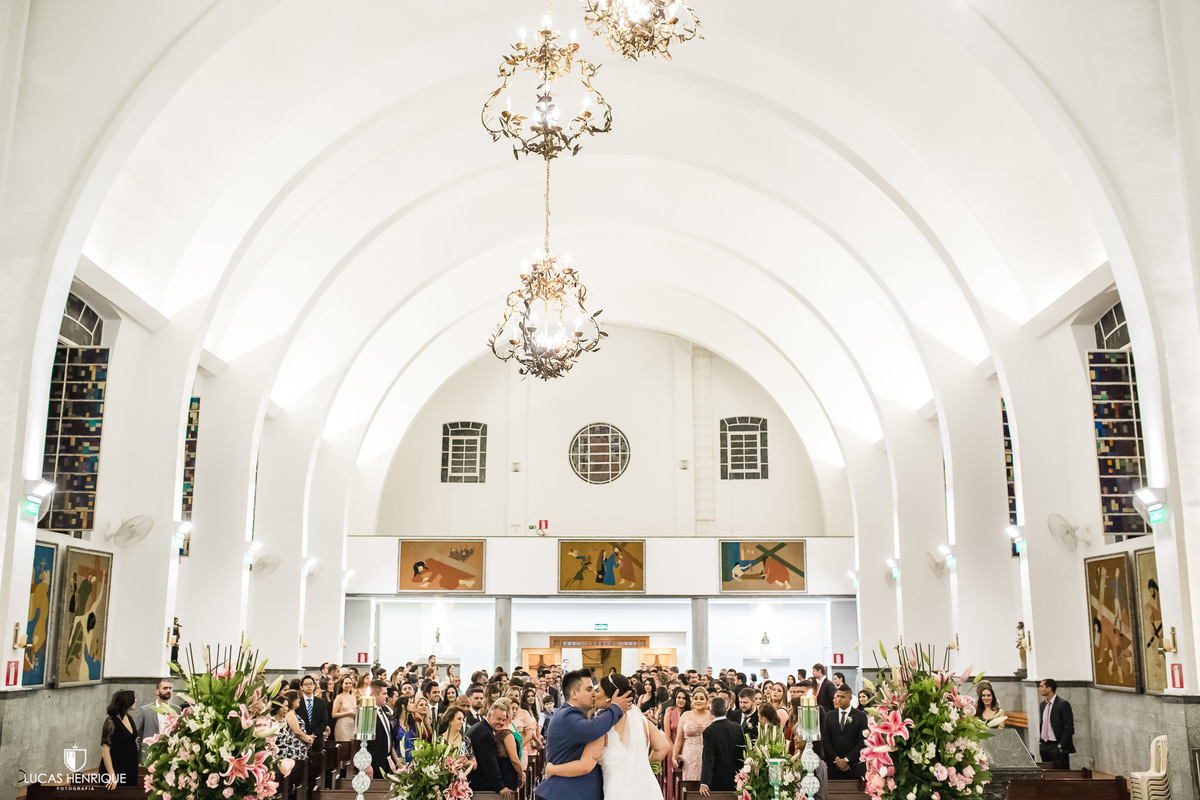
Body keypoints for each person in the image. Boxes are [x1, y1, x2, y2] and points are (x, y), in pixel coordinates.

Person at [543, 672, 669, 800]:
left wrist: (552, 769)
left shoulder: (604, 725)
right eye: (591, 690)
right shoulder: (642, 720)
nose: (594, 694)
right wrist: (640, 765)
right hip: (645, 789)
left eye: (598, 691)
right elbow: (663, 747)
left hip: (618, 791)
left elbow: (585, 766)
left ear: (609, 697)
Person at [536, 668, 632, 800]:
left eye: (594, 689)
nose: (594, 693)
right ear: (574, 693)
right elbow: (591, 730)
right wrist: (616, 708)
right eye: (589, 689)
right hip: (564, 793)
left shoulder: (580, 716)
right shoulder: (567, 715)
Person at [468, 704, 520, 798]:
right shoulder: (484, 733)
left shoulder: (481, 727)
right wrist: (500, 786)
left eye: (503, 720)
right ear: (489, 715)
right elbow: (489, 762)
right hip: (480, 786)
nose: (501, 722)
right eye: (499, 719)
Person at [699, 697, 744, 795]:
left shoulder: (709, 731)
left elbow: (708, 758)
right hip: (736, 777)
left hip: (716, 778)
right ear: (726, 710)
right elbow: (742, 753)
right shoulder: (737, 727)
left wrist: (704, 782)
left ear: (711, 710)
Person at [821, 686, 867, 780]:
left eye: (842, 697)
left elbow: (862, 741)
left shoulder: (860, 716)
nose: (839, 699)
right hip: (833, 765)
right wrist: (837, 759)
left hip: (853, 765)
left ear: (850, 698)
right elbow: (825, 740)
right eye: (837, 696)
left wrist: (847, 759)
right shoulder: (829, 715)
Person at [672, 687, 716, 782]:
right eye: (696, 698)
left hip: (707, 753)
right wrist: (674, 756)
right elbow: (679, 739)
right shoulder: (685, 715)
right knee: (689, 782)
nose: (698, 701)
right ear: (692, 700)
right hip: (689, 754)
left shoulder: (712, 715)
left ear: (707, 701)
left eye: (701, 698)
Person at [297, 674, 331, 788]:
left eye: (310, 684)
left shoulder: (320, 702)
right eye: (305, 684)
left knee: (316, 765)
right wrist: (305, 735)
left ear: (314, 686)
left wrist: (313, 734)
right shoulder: (298, 703)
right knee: (302, 767)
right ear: (301, 687)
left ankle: (314, 788)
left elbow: (324, 721)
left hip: (317, 739)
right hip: (301, 738)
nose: (308, 687)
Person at [101, 690, 139, 787]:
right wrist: (112, 774)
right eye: (134, 699)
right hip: (116, 766)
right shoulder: (111, 722)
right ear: (126, 702)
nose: (136, 701)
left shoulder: (129, 718)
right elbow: (105, 750)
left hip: (130, 766)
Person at [134, 678, 179, 759]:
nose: (168, 690)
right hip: (149, 752)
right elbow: (137, 735)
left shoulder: (177, 709)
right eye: (165, 688)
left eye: (170, 688)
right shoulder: (145, 710)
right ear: (157, 691)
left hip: (170, 753)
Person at [1038, 678, 1074, 769]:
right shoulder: (1043, 705)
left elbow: (1069, 728)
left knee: (1061, 774)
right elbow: (1043, 724)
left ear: (1049, 688)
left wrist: (1060, 746)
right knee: (1047, 775)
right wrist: (1041, 744)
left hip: (1057, 746)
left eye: (1042, 686)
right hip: (1045, 746)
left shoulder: (1063, 704)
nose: (1039, 688)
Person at [365, 680, 397, 778]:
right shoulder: (368, 713)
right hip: (374, 762)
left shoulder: (383, 711)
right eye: (384, 694)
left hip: (386, 762)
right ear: (375, 696)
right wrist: (366, 764)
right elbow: (363, 741)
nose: (387, 696)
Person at [439, 706, 477, 772]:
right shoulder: (440, 740)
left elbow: (474, 765)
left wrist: (466, 762)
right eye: (459, 719)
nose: (462, 722)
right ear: (450, 720)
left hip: (461, 778)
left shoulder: (464, 740)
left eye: (463, 719)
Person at [332, 675, 358, 742]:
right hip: (343, 725)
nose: (348, 685)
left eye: (350, 683)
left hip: (352, 725)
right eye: (346, 683)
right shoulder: (339, 697)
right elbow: (334, 714)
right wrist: (348, 713)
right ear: (342, 685)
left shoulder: (353, 697)